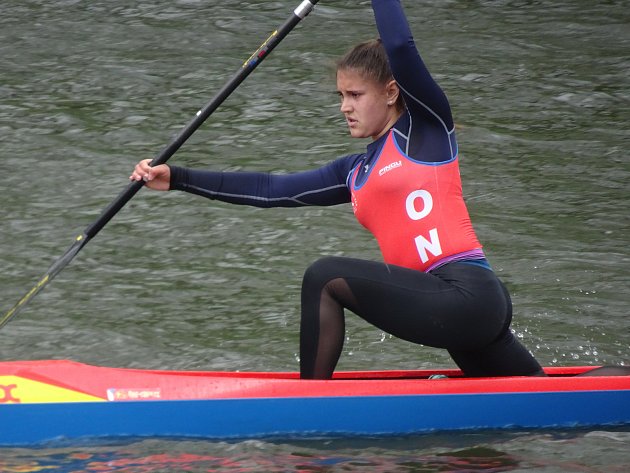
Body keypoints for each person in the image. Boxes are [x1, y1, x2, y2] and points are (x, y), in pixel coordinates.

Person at [131, 0, 545, 379]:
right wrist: (180, 178)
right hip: (450, 307)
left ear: (391, 92)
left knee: (325, 277)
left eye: (355, 95)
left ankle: (307, 402)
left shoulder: (426, 131)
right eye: (341, 95)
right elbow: (273, 189)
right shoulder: (356, 170)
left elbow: (400, 46)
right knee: (537, 399)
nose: (344, 106)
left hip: (465, 295)